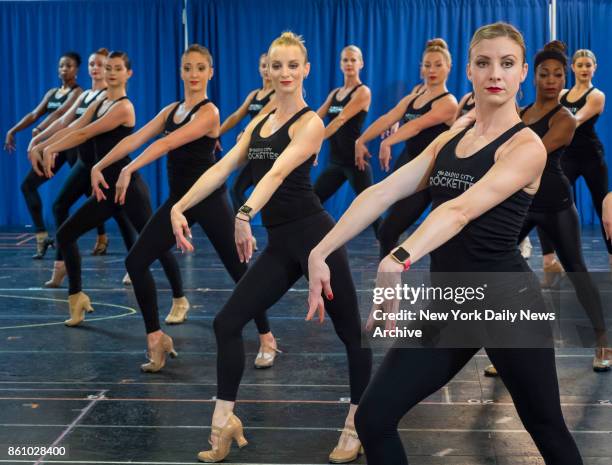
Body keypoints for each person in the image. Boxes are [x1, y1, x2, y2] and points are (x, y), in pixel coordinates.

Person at [307, 22, 583, 465]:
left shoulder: (527, 147)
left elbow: (459, 210)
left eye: (507, 64)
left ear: (520, 75)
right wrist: (319, 250)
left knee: (547, 428)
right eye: (484, 62)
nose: (495, 72)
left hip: (506, 303)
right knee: (373, 419)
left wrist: (399, 257)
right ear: (470, 71)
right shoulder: (452, 136)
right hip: (451, 300)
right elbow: (382, 191)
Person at [171, 32, 372, 463]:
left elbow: (278, 173)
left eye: (292, 65)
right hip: (282, 243)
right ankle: (224, 422)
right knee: (227, 323)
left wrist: (243, 214)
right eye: (275, 66)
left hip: (316, 237)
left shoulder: (310, 122)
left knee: (351, 334)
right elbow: (223, 166)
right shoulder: (259, 122)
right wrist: (180, 206)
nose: (283, 73)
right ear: (267, 70)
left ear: (306, 70)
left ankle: (357, 424)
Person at [90, 44, 277, 372]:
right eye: (187, 68)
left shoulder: (209, 113)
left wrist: (128, 169)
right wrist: (100, 165)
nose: (193, 74)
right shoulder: (170, 111)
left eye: (200, 68)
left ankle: (267, 336)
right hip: (179, 202)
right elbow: (136, 139)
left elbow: (165, 143)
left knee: (238, 271)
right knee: (135, 262)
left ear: (210, 73)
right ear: (180, 71)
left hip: (208, 199)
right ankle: (156, 338)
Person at [485, 41, 609, 375]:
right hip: (525, 205)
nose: (551, 80)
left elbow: (531, 153)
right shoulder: (522, 114)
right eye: (544, 74)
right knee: (497, 264)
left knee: (577, 271)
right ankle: (509, 343)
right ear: (532, 76)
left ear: (564, 77)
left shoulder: (565, 119)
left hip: (556, 206)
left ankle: (602, 339)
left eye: (557, 74)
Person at [40, 51, 183, 327]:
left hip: (128, 187)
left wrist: (50, 148)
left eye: (117, 68)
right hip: (106, 189)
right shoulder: (101, 101)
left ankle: (179, 298)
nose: (111, 73)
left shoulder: (123, 107)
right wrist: (44, 144)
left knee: (155, 244)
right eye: (108, 68)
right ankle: (77, 296)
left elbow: (85, 134)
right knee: (66, 233)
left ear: (128, 74)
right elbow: (75, 126)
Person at [354, 39, 457, 257]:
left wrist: (387, 141)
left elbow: (416, 125)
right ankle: (391, 284)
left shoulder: (448, 103)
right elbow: (387, 118)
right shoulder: (413, 98)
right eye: (427, 65)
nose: (432, 70)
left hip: (430, 175)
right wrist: (361, 140)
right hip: (408, 166)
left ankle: (392, 282)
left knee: (391, 232)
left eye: (438, 65)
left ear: (449, 68)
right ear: (421, 68)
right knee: (387, 232)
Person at [29, 48, 112, 287]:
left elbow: (81, 131)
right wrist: (39, 141)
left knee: (124, 215)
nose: (95, 68)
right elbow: (65, 121)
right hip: (85, 164)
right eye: (92, 64)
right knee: (59, 206)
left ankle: (137, 263)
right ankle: (61, 265)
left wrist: (48, 146)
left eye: (101, 65)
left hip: (105, 166)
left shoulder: (108, 99)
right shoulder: (85, 94)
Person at [537, 47, 611, 279]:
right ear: (573, 68)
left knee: (605, 211)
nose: (584, 69)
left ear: (594, 68)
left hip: (591, 158)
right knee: (543, 201)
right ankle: (549, 262)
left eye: (588, 65)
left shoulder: (597, 96)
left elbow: (575, 121)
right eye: (580, 65)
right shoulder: (562, 95)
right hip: (567, 158)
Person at [4, 52, 83, 258]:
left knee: (88, 189)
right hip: (51, 148)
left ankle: (102, 236)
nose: (64, 69)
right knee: (28, 186)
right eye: (61, 66)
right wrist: (13, 130)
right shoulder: (51, 93)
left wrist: (38, 131)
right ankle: (42, 237)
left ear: (77, 70)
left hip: (71, 146)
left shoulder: (78, 93)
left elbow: (60, 115)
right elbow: (34, 114)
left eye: (69, 66)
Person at [313, 45, 381, 235]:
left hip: (354, 161)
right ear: (340, 64)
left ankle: (388, 241)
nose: (349, 63)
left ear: (361, 63)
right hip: (336, 162)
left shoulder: (363, 92)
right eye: (345, 60)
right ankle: (318, 233)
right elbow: (315, 118)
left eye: (353, 60)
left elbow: (341, 119)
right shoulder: (335, 94)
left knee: (371, 210)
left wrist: (315, 142)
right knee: (313, 198)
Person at [218, 53, 276, 212]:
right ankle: (246, 232)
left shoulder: (277, 95)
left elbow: (262, 115)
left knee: (268, 200)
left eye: (270, 66)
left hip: (268, 152)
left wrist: (245, 131)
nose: (266, 70)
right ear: (259, 69)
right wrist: (216, 133)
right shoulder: (254, 95)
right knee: (236, 191)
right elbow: (237, 115)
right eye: (263, 65)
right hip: (254, 151)